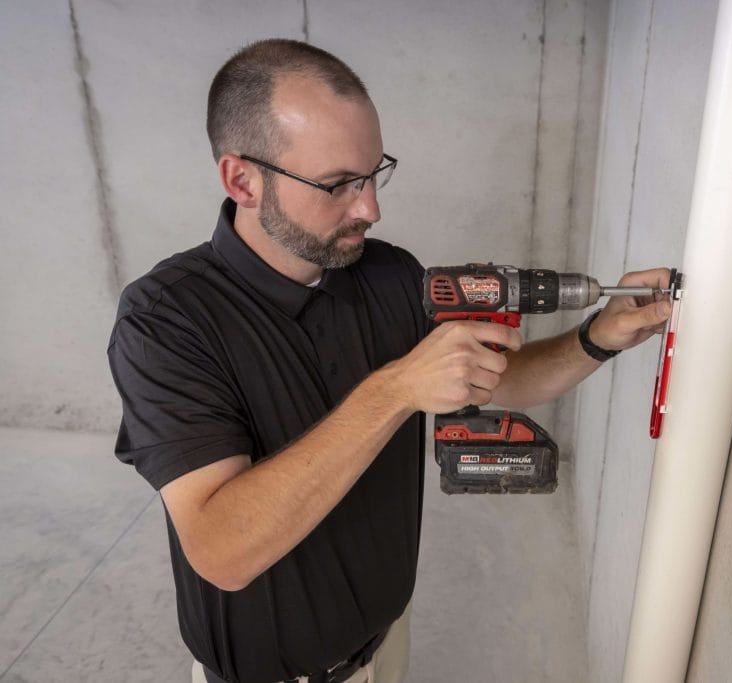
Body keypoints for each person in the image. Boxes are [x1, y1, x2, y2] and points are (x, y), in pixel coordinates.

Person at [107, 39, 671, 683]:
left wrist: (600, 335)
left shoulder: (387, 273)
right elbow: (221, 548)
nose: (370, 206)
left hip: (384, 646)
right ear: (243, 180)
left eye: (375, 173)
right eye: (338, 183)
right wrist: (395, 390)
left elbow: (491, 376)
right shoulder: (166, 321)